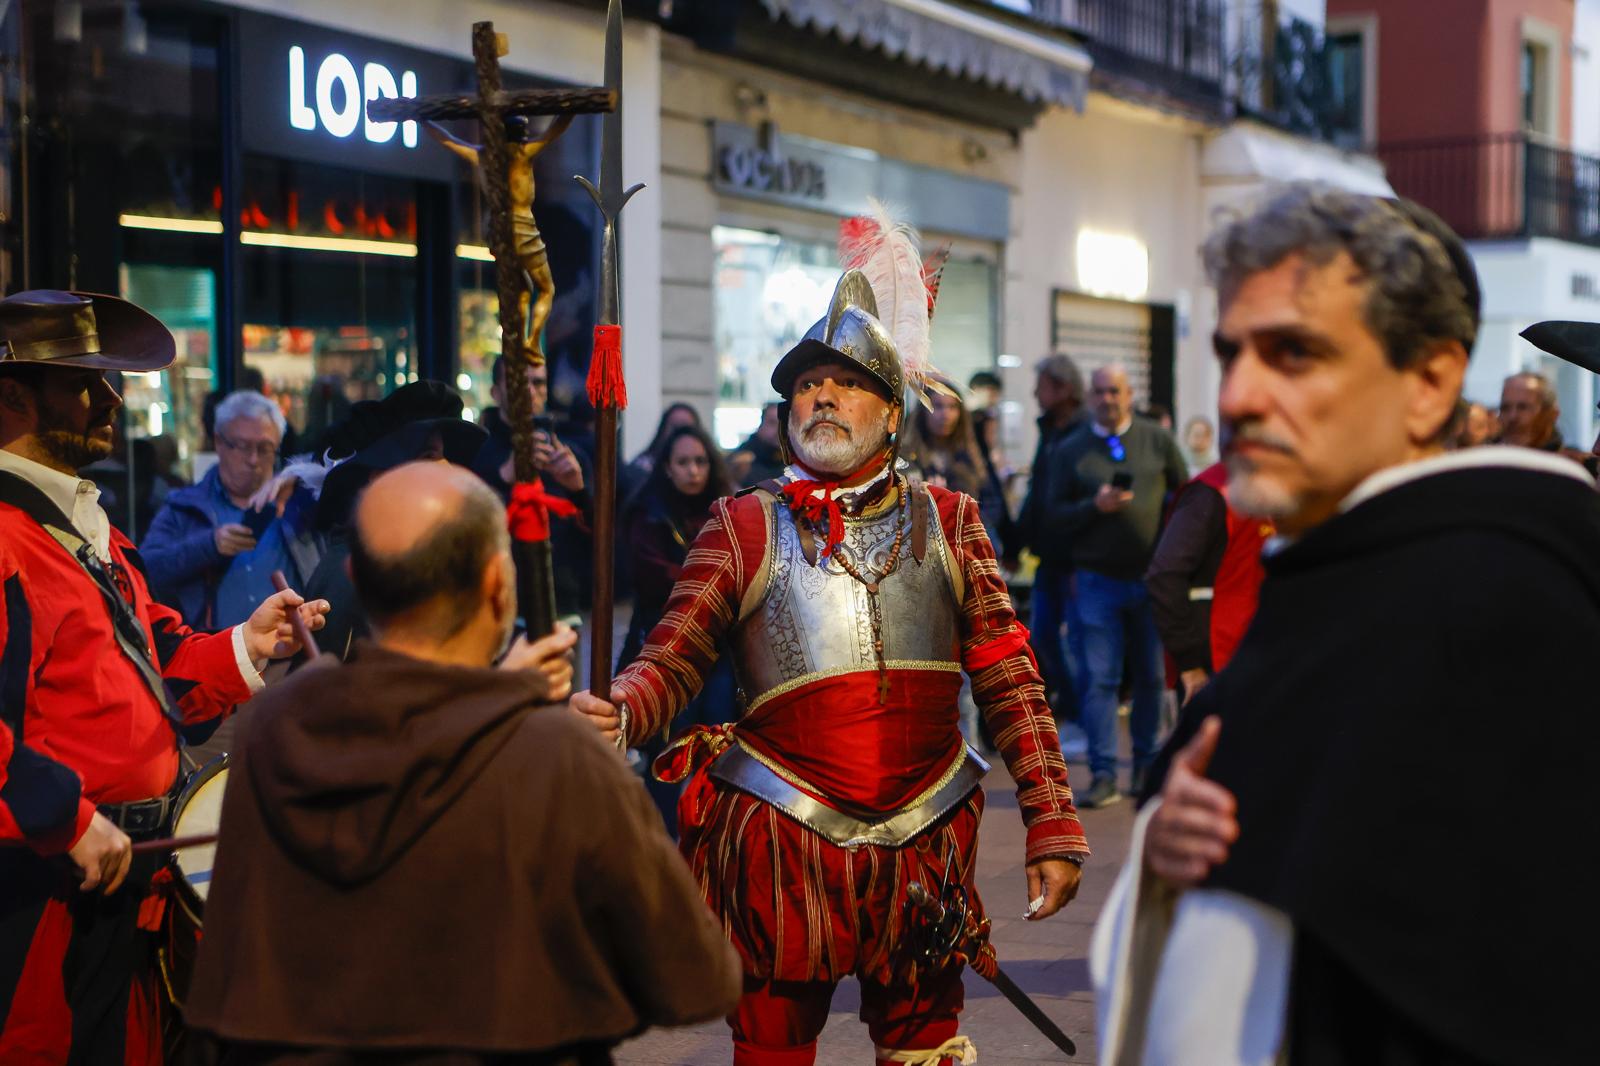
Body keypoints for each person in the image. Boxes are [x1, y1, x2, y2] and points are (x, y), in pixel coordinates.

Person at [1094, 186, 1597, 1065]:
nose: (1241, 394)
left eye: (1294, 353)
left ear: (1430, 381)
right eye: (1231, 352)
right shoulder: (1340, 574)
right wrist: (1165, 850)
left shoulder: (1512, 603)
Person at [571, 269, 1088, 1066]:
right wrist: (625, 710)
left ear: (891, 415)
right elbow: (669, 657)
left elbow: (1007, 672)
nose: (822, 398)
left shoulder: (953, 520)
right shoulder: (742, 523)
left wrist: (1052, 817)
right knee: (772, 1041)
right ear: (784, 416)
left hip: (928, 835)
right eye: (808, 385)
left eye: (847, 384)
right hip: (783, 837)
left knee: (923, 1043)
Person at [183, 462, 742, 1064]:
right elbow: (693, 980)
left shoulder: (276, 726)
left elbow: (229, 971)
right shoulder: (558, 755)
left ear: (356, 580)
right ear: (500, 586)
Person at [0, 289, 327, 1065]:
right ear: (12, 394)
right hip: (49, 892)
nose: (110, 396)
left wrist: (250, 643)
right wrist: (71, 823)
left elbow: (156, 662)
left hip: (128, 878)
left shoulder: (87, 526)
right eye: (85, 379)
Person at [1045, 365, 1188, 808]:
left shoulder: (1157, 440)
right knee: (1100, 680)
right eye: (1101, 391)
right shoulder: (1071, 450)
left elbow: (1186, 498)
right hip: (1095, 582)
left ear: (1129, 395)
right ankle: (1104, 772)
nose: (1108, 398)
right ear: (1090, 396)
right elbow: (1054, 514)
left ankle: (1146, 764)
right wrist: (1095, 505)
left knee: (1149, 677)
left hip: (1150, 580)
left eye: (1115, 391)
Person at [296, 381, 488, 661]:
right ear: (380, 478)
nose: (446, 469)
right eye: (429, 456)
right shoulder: (351, 574)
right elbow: (322, 693)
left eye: (443, 456)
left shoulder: (419, 559)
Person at [619, 424, 738, 831]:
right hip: (667, 646)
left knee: (722, 740)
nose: (693, 470)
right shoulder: (648, 509)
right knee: (669, 747)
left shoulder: (728, 512)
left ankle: (717, 834)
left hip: (720, 649)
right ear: (667, 467)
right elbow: (649, 574)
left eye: (700, 461)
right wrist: (707, 576)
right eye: (683, 462)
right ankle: (664, 840)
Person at [141, 390, 322, 629]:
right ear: (219, 442)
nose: (254, 460)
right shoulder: (184, 507)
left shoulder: (297, 501)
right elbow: (145, 571)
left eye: (265, 448)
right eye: (243, 446)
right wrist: (208, 546)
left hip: (293, 653)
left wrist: (301, 478)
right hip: (214, 655)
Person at [1143, 458, 1273, 710]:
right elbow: (1165, 575)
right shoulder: (1211, 493)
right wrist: (1189, 664)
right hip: (1217, 654)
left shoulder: (1281, 484)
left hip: (1259, 648)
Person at [473, 354, 591, 616]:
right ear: (496, 391)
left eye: (538, 383)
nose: (530, 391)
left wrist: (577, 490)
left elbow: (596, 537)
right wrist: (505, 476)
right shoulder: (475, 452)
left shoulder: (571, 455)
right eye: (519, 382)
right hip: (494, 603)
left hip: (560, 601)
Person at [1013, 353, 1088, 720]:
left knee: (1076, 640)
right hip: (1049, 556)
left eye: (1041, 386)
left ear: (1063, 388)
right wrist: (1019, 542)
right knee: (1041, 636)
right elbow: (1038, 495)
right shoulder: (1051, 431)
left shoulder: (1085, 433)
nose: (1034, 393)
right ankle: (1069, 705)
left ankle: (1079, 713)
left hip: (1077, 559)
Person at [899, 373, 985, 499]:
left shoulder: (970, 454)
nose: (946, 415)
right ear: (923, 412)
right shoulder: (905, 457)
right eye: (938, 406)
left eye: (952, 407)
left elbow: (991, 502)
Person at [729, 401, 785, 488]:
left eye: (784, 424)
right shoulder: (742, 458)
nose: (779, 430)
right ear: (760, 426)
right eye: (772, 423)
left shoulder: (797, 456)